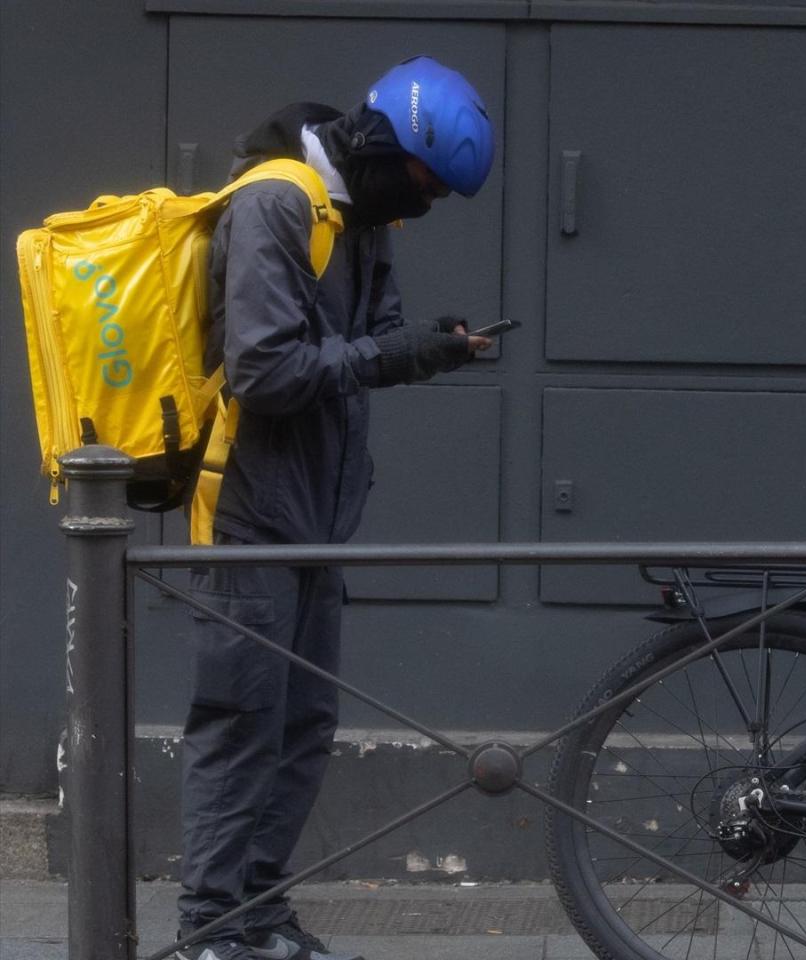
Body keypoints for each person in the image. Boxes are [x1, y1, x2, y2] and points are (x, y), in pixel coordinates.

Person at [175, 56, 496, 960]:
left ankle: (258, 916)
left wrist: (431, 345)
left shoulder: (361, 214)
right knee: (241, 724)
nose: (426, 203)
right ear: (386, 148)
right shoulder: (275, 204)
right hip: (251, 510)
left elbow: (376, 338)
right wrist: (391, 356)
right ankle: (210, 930)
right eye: (425, 183)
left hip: (320, 513)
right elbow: (263, 372)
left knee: (302, 726)